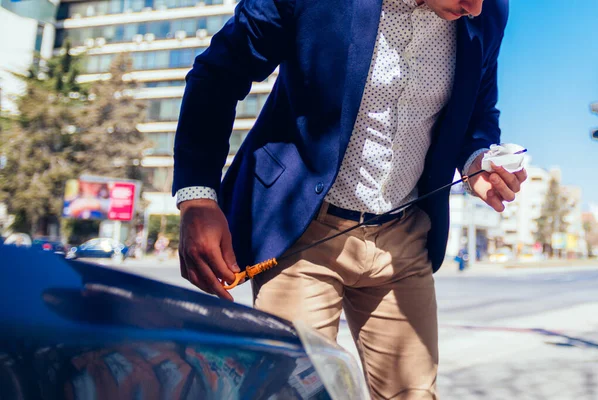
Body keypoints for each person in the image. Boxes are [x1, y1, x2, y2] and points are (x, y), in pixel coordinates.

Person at [173, 0, 527, 398]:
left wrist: (477, 160)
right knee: (296, 390)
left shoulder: (489, 12)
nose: (476, 8)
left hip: (405, 238)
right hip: (303, 232)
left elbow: (479, 114)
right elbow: (218, 74)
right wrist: (198, 196)